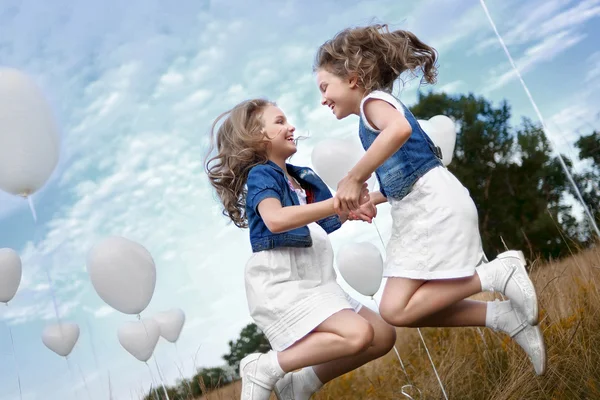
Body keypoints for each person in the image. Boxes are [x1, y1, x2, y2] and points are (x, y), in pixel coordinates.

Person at [313, 23, 546, 375]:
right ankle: (500, 316)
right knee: (396, 309)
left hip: (432, 207)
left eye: (325, 86)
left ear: (353, 77)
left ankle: (496, 273)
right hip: (420, 206)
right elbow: (409, 169)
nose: (323, 98)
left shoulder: (374, 103)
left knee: (396, 309)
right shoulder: (370, 114)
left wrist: (355, 177)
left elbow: (400, 130)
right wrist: (373, 197)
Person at [205, 98, 397, 400]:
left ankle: (302, 383)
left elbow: (327, 215)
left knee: (383, 335)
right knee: (358, 334)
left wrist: (383, 194)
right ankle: (267, 367)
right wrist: (337, 203)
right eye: (279, 121)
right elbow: (275, 219)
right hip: (285, 281)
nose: (290, 126)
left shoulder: (299, 178)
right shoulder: (262, 174)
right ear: (257, 136)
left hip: (318, 279)